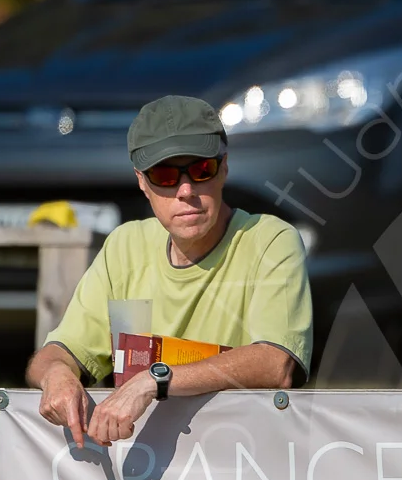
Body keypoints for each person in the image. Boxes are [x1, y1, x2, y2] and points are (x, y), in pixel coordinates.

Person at [27, 95, 312, 446]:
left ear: (224, 168)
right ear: (142, 182)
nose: (186, 190)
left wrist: (154, 379)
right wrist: (57, 374)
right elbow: (55, 354)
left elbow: (276, 364)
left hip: (247, 466)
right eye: (164, 175)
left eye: (201, 169)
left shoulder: (270, 240)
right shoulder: (124, 247)